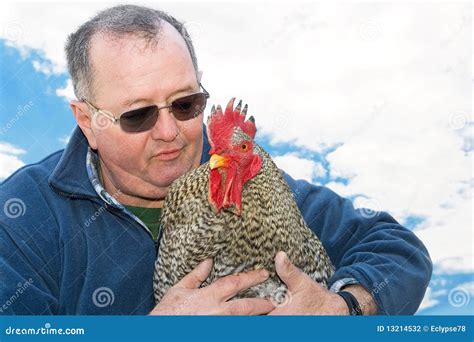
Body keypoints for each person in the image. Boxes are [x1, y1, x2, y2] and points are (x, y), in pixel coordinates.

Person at [0, 5, 432, 315]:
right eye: (137, 114)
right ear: (88, 120)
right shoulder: (23, 215)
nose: (169, 131)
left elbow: (399, 250)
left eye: (185, 104)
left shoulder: (249, 180)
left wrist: (344, 306)